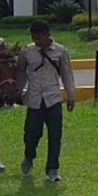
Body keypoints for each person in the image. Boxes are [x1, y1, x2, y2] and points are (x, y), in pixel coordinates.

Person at [17, 21, 76, 183]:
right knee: (31, 134)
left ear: (48, 36)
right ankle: (29, 156)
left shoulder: (60, 52)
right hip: (34, 99)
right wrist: (17, 91)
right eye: (34, 38)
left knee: (55, 136)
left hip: (53, 99)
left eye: (40, 38)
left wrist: (71, 96)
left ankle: (52, 168)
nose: (37, 42)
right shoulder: (27, 52)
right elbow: (21, 73)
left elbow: (67, 74)